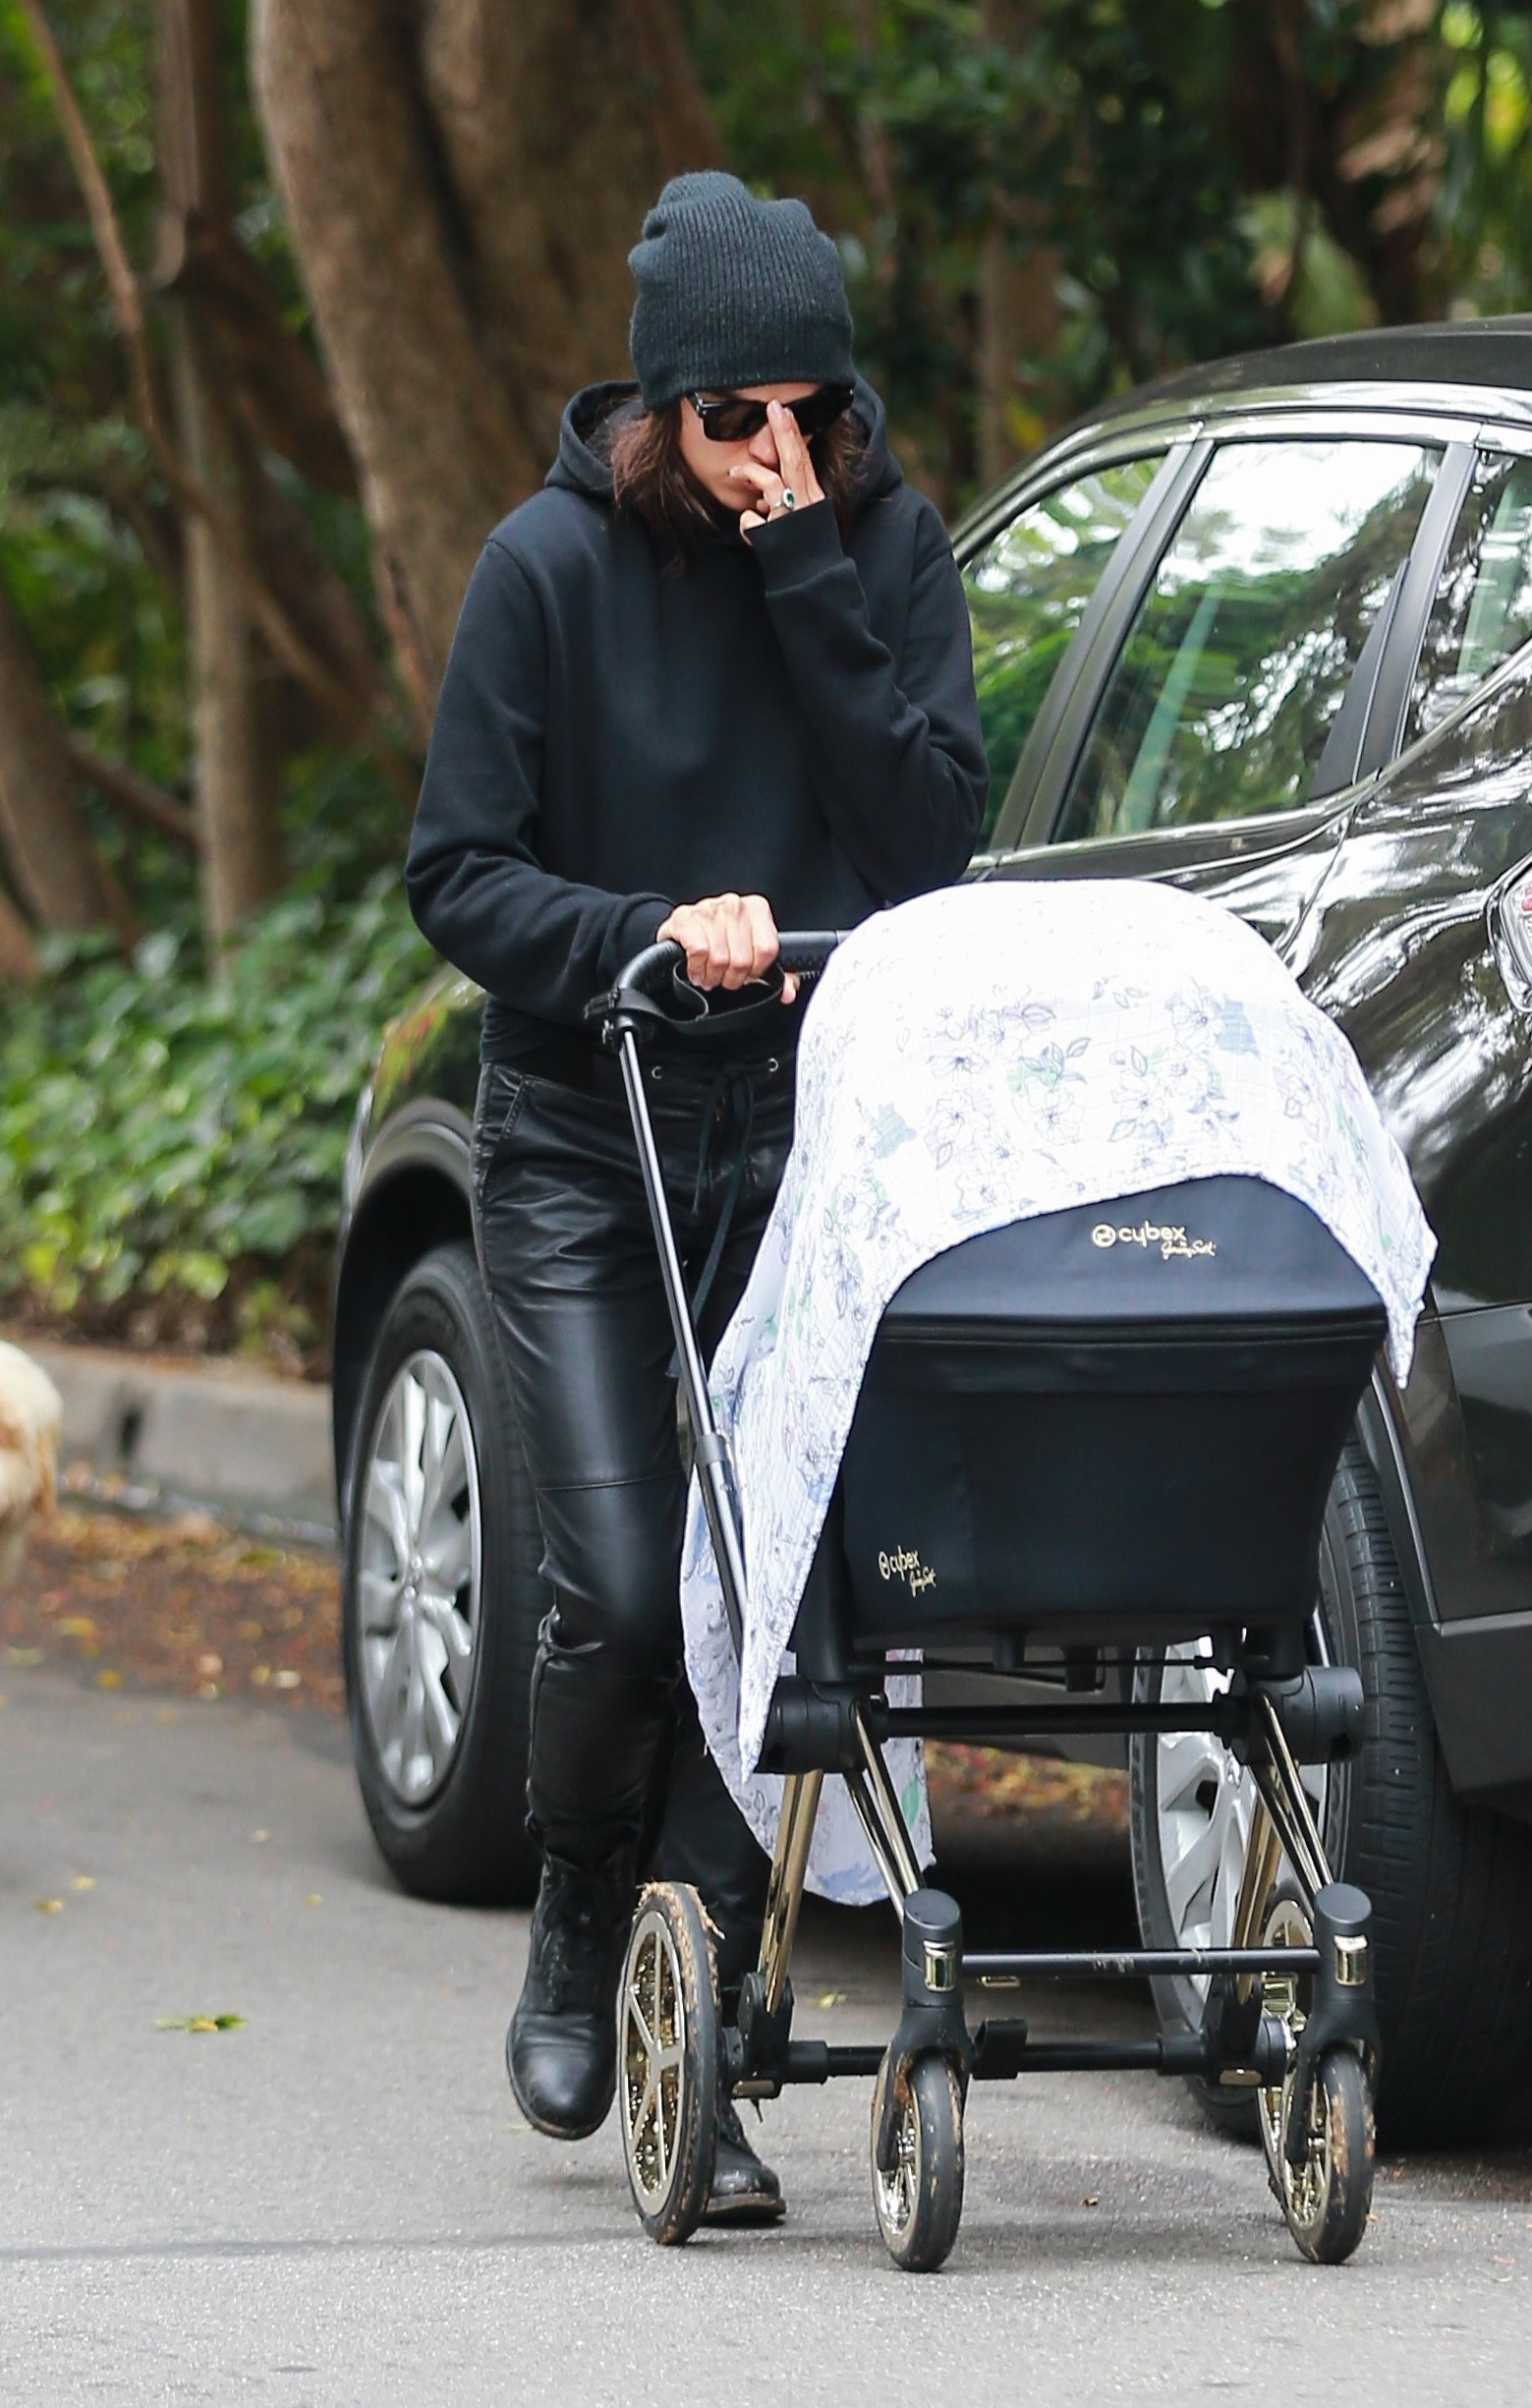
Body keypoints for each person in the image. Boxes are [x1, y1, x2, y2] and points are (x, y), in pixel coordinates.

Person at [406, 169, 987, 2220]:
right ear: (657, 410)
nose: (773, 453)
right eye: (734, 418)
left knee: (773, 1595)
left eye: (808, 412)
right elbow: (457, 871)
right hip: (591, 1124)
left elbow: (927, 844)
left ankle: (707, 2032)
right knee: (628, 1576)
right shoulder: (545, 568)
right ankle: (578, 1917)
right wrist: (651, 929)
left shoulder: (873, 544)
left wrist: (811, 564)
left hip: (811, 1133)